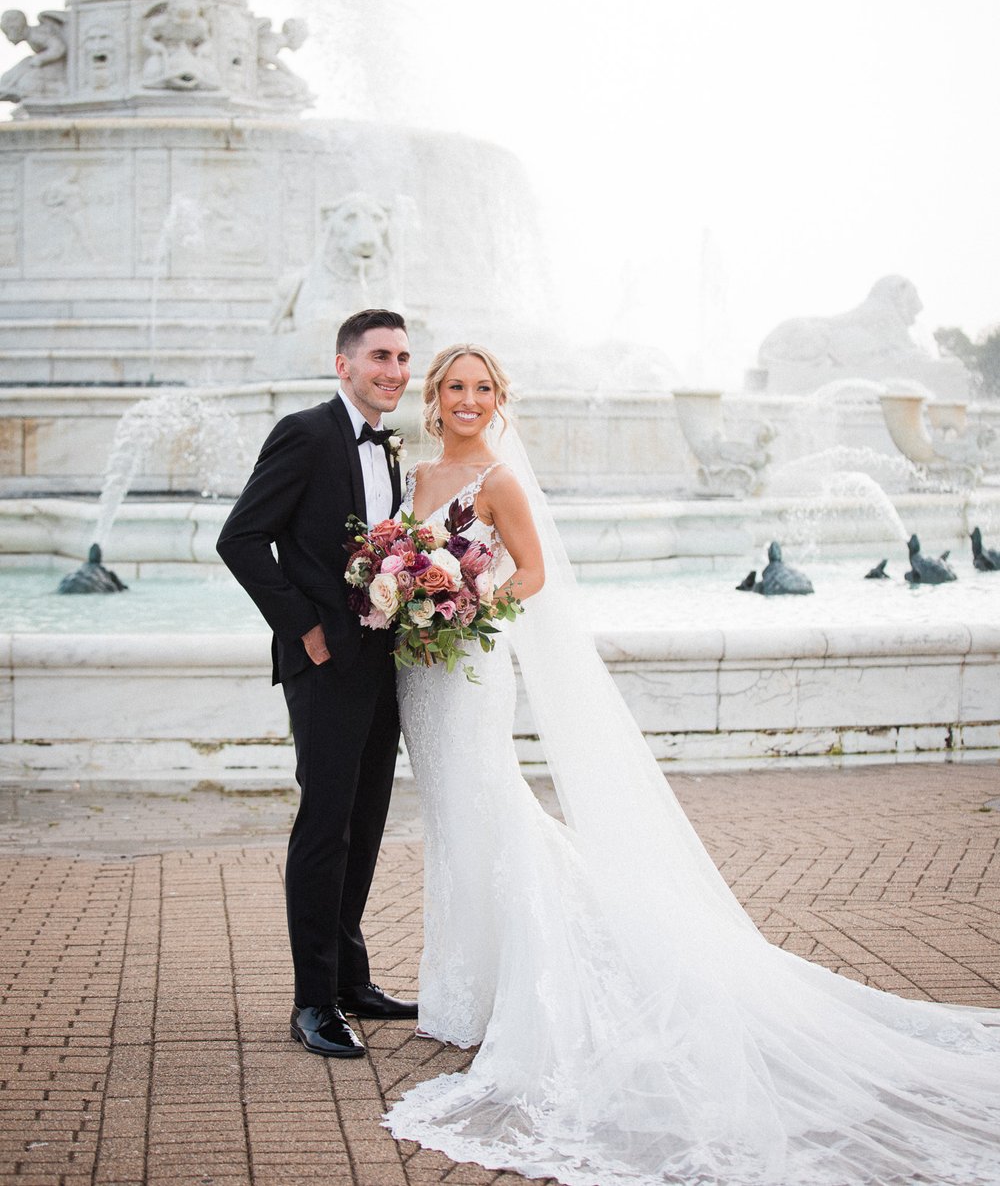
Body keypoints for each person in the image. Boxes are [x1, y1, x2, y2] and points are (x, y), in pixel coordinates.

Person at [386, 342, 1000, 1186]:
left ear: (498, 399)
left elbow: (530, 576)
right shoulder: (412, 474)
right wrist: (405, 587)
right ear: (434, 395)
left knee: (492, 804)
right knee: (453, 818)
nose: (467, 398)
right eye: (455, 386)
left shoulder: (498, 480)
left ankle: (524, 988)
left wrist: (468, 592)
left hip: (472, 664)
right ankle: (463, 987)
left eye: (482, 388)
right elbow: (396, 555)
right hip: (420, 672)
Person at [217, 308, 417, 1060]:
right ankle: (312, 1002)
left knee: (364, 824)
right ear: (344, 365)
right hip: (325, 664)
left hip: (382, 664)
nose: (394, 370)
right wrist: (301, 627)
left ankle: (351, 980)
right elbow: (240, 536)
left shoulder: (391, 446)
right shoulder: (304, 432)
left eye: (402, 357)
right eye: (379, 357)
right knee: (325, 826)